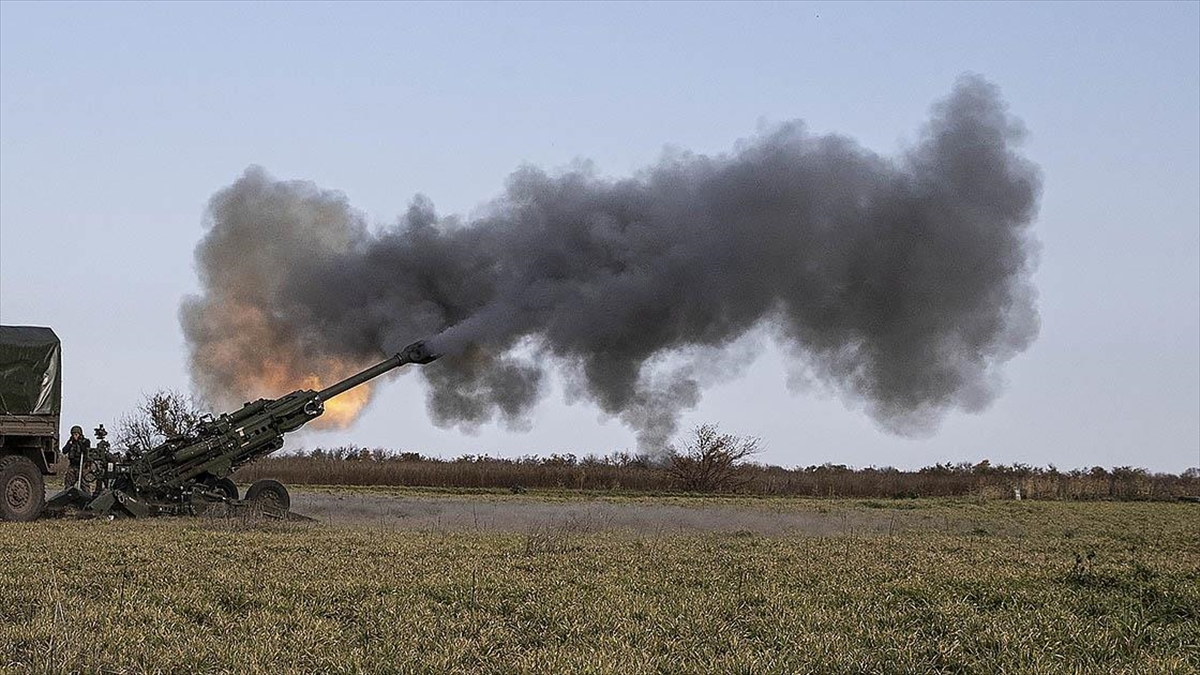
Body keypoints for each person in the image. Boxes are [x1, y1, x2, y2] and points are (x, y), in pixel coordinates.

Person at [62, 425, 94, 491]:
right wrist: (70, 443)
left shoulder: (85, 441)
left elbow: (85, 450)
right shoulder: (70, 441)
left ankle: (87, 499)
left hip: (82, 466)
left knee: (84, 484)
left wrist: (79, 442)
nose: (75, 435)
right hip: (73, 466)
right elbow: (64, 451)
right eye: (73, 434)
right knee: (68, 484)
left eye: (76, 434)